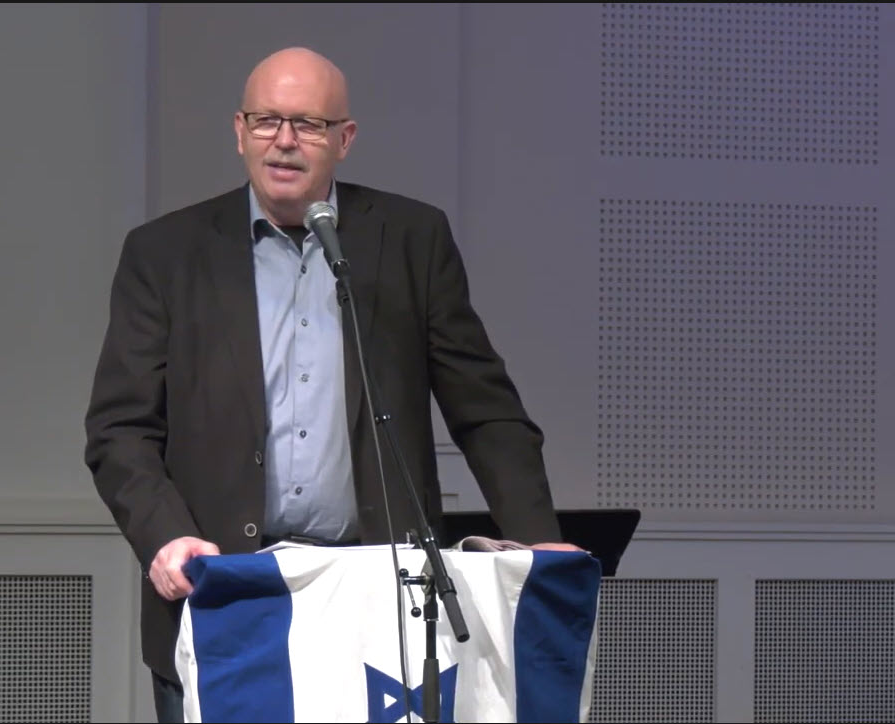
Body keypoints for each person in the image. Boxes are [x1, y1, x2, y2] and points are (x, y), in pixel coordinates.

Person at [83, 46, 581, 723]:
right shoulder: (164, 252)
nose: (284, 140)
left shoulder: (410, 238)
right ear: (239, 131)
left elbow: (485, 408)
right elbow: (120, 429)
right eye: (266, 120)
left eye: (309, 124)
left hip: (380, 599)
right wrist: (166, 536)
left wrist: (535, 540)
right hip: (225, 590)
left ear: (344, 139)